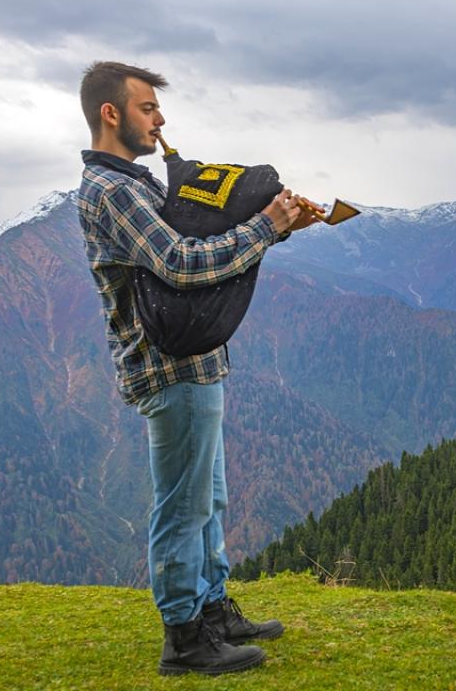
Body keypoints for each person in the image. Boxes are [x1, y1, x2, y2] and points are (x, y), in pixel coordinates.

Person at [76, 60, 314, 676]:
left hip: (192, 363)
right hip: (168, 367)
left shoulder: (136, 184)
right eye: (148, 107)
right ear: (111, 113)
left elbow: (198, 235)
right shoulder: (115, 191)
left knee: (208, 497)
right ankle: (184, 638)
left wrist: (281, 225)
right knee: (183, 505)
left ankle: (212, 611)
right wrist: (265, 226)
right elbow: (181, 263)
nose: (160, 120)